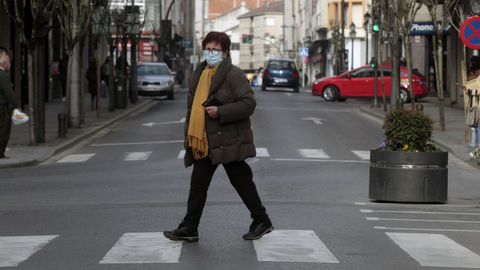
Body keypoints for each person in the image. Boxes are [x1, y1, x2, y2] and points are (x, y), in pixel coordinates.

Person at [163, 31, 273, 242]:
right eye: (208, 49)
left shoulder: (233, 74)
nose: (211, 53)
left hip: (228, 140)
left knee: (241, 181)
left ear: (225, 53)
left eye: (216, 49)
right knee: (198, 185)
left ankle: (262, 220)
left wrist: (221, 112)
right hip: (205, 141)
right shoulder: (200, 72)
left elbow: (248, 103)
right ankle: (190, 227)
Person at [0, 48, 20, 159]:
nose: (9, 64)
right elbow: (8, 93)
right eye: (8, 62)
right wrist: (16, 105)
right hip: (2, 107)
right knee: (4, 130)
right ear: (4, 63)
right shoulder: (3, 75)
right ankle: (0, 153)